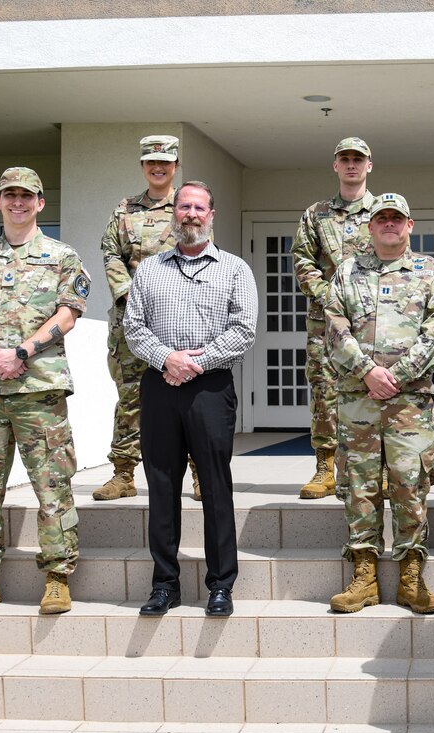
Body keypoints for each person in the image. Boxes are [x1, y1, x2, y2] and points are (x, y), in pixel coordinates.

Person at [0, 166, 90, 616]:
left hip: (39, 391)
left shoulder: (63, 256)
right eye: (9, 195)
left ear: (40, 203)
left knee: (52, 485)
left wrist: (22, 352)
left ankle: (57, 576)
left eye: (26, 196)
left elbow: (68, 314)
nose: (18, 203)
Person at [124, 181, 258, 618]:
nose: (191, 214)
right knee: (162, 486)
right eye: (184, 207)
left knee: (216, 487)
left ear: (212, 214)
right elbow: (134, 328)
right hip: (160, 386)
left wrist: (194, 364)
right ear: (174, 213)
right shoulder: (148, 270)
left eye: (199, 207)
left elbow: (243, 331)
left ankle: (221, 585)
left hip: (210, 389)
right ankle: (165, 584)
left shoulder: (235, 269)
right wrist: (167, 358)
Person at [324, 193, 434, 615]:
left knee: (410, 482)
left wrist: (396, 376)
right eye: (382, 219)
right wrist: (366, 372)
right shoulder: (347, 271)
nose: (390, 225)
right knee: (358, 483)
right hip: (357, 400)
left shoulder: (428, 271)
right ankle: (364, 576)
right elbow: (334, 326)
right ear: (371, 226)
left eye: (397, 218)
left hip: (409, 401)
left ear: (409, 225)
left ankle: (411, 576)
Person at [95, 135, 203, 502]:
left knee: (186, 396)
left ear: (175, 165)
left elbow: (197, 254)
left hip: (177, 319)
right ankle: (123, 474)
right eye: (151, 162)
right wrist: (127, 292)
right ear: (143, 166)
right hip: (131, 319)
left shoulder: (188, 207)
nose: (158, 168)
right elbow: (111, 253)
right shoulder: (125, 209)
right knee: (130, 396)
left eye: (165, 162)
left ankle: (199, 474)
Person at [293, 137, 379, 499]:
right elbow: (302, 259)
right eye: (344, 159)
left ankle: (381, 469)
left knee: (374, 391)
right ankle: (325, 467)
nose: (351, 165)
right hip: (325, 324)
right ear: (335, 165)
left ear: (369, 165)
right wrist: (330, 297)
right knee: (326, 394)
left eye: (358, 159)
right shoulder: (316, 214)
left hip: (372, 321)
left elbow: (393, 258)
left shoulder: (383, 212)